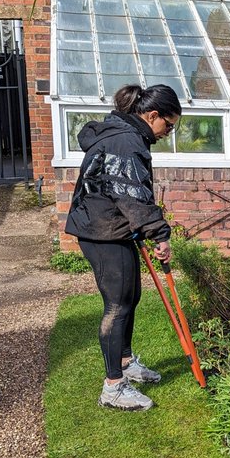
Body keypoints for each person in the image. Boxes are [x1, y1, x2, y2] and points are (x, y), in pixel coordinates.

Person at [65, 83, 182, 411]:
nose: (168, 133)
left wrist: (145, 230)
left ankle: (126, 362)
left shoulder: (128, 136)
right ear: (152, 115)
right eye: (168, 125)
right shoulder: (126, 141)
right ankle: (113, 387)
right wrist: (159, 234)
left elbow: (125, 192)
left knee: (131, 297)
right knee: (117, 305)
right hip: (100, 232)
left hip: (113, 227)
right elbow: (131, 192)